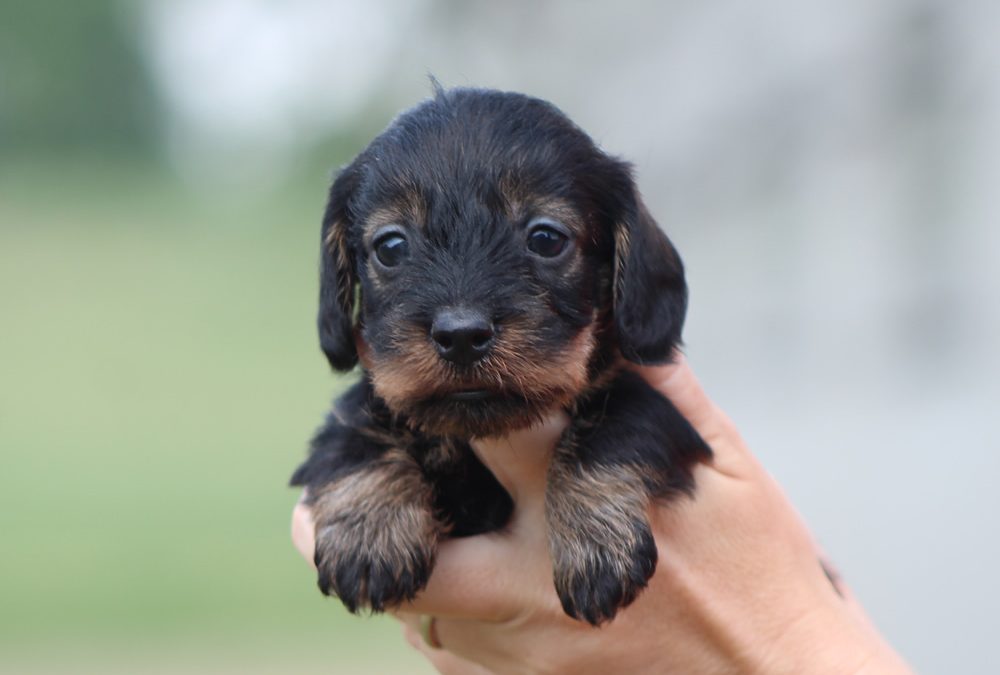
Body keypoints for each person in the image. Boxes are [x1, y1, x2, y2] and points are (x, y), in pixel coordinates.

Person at [291, 357, 913, 674]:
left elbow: (648, 425)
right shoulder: (373, 419)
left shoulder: (626, 396)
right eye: (394, 249)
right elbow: (344, 455)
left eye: (544, 241)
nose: (461, 315)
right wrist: (369, 498)